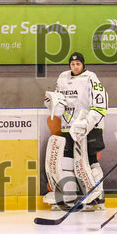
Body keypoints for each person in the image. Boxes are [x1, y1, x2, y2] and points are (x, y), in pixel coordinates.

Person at [44, 52, 109, 210]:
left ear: (83, 64)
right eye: (72, 64)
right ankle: (68, 196)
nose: (75, 66)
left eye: (78, 64)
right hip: (68, 128)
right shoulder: (63, 78)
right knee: (66, 161)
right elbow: (58, 101)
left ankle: (97, 196)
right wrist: (53, 104)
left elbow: (101, 104)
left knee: (90, 161)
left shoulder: (91, 78)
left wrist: (88, 123)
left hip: (89, 129)